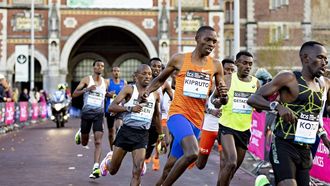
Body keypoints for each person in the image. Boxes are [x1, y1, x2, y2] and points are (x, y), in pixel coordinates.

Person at [139, 26, 228, 186]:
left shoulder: (216, 65)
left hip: (196, 121)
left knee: (169, 168)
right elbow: (160, 79)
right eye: (207, 39)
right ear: (197, 39)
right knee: (193, 153)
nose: (211, 44)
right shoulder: (179, 59)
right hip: (178, 114)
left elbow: (220, 100)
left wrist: (223, 96)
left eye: (214, 41)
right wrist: (147, 92)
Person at [247, 41, 330, 186]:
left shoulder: (323, 85)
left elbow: (314, 117)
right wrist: (277, 106)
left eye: (326, 58)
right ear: (305, 58)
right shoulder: (289, 78)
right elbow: (253, 99)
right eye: (320, 57)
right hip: (283, 144)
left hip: (305, 149)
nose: (325, 62)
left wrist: (325, 138)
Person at [99, 64, 166, 186]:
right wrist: (130, 108)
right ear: (136, 76)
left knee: (137, 171)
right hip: (126, 132)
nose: (148, 76)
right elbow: (111, 107)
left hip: (142, 135)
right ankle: (108, 161)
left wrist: (161, 136)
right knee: (113, 170)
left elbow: (157, 116)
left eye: (150, 74)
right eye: (144, 73)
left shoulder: (155, 94)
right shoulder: (129, 89)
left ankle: (139, 168)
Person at [213, 51, 259, 186]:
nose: (248, 66)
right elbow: (214, 99)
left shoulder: (256, 83)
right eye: (244, 63)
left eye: (250, 64)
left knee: (232, 170)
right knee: (231, 161)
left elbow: (259, 106)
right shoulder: (227, 79)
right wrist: (221, 101)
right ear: (237, 63)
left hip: (244, 129)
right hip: (227, 127)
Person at [72, 60, 109, 179]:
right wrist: (86, 90)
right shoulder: (87, 80)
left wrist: (110, 95)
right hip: (86, 114)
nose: (100, 67)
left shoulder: (105, 82)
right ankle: (80, 132)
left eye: (102, 66)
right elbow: (74, 94)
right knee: (84, 142)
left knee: (98, 141)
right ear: (93, 68)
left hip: (99, 114)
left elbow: (105, 93)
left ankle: (96, 167)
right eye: (98, 65)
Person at [196, 58, 235, 170]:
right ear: (221, 69)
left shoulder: (235, 85)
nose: (229, 72)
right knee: (200, 164)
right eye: (227, 69)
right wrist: (211, 111)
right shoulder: (211, 84)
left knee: (225, 162)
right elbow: (199, 103)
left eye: (232, 70)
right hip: (210, 126)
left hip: (225, 128)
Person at [144, 57, 173, 173]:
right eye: (154, 66)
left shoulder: (165, 84)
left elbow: (173, 98)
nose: (156, 68)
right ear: (149, 67)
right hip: (145, 117)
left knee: (165, 142)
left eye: (159, 67)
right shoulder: (145, 81)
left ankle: (153, 155)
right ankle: (146, 158)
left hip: (159, 118)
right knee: (143, 146)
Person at [104, 66, 127, 152]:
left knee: (119, 128)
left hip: (119, 108)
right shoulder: (108, 82)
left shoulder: (123, 82)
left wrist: (123, 103)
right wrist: (108, 94)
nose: (116, 72)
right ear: (112, 72)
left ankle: (118, 148)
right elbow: (103, 93)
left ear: (120, 72)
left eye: (118, 71)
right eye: (114, 71)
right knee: (111, 132)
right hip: (109, 109)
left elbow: (127, 96)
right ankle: (111, 150)